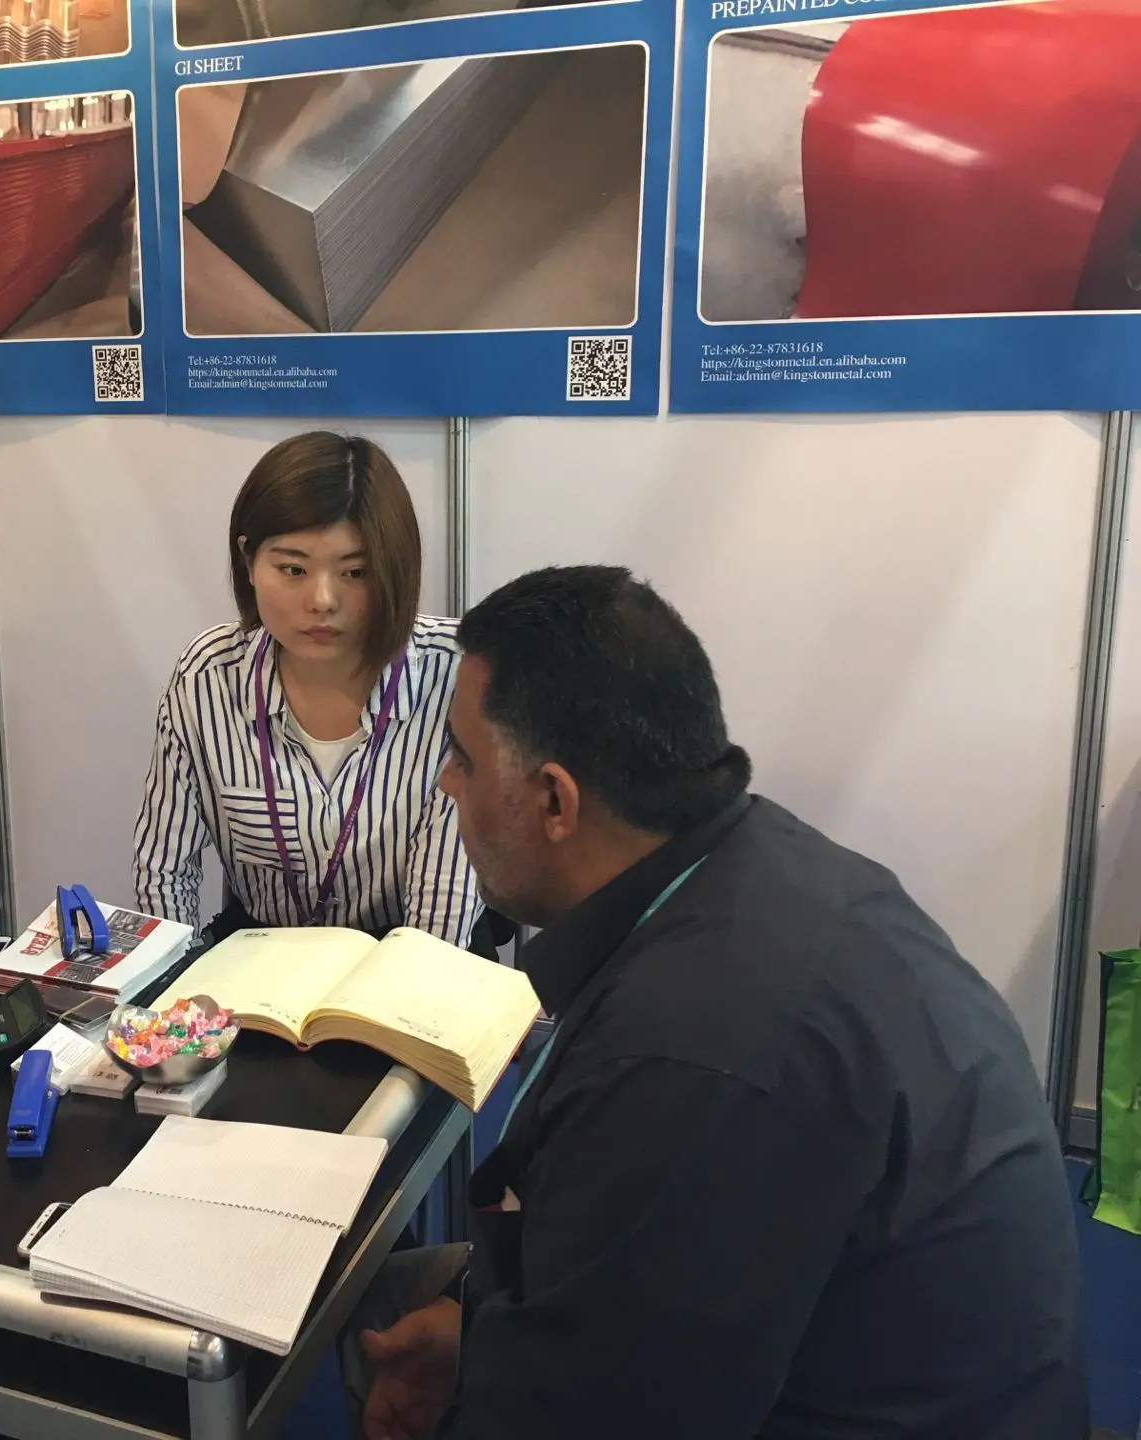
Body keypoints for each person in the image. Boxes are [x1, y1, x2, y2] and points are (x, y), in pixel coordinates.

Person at [354, 565, 1085, 1439]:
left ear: (554, 800)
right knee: (407, 1298)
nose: (446, 784)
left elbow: (603, 1415)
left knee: (371, 1310)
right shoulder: (762, 863)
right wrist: (487, 1337)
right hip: (870, 1361)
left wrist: (493, 1375)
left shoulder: (690, 1053)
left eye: (464, 759)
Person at [133, 431, 495, 951]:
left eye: (356, 572)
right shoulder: (207, 677)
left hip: (414, 955)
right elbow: (164, 871)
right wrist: (178, 990)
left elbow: (444, 904)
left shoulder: (456, 677)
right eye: (294, 569)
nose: (323, 600)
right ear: (248, 562)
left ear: (395, 569)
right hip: (261, 957)